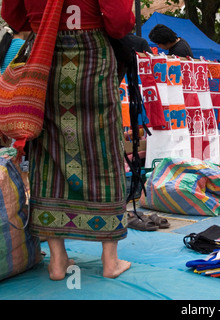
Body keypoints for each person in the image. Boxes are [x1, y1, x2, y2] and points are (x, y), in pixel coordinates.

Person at [2, 0, 135, 280]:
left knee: (47, 151)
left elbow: (12, 15)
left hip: (45, 56)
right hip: (91, 58)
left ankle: (58, 262)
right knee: (104, 148)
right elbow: (120, 21)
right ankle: (110, 261)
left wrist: (44, 22)